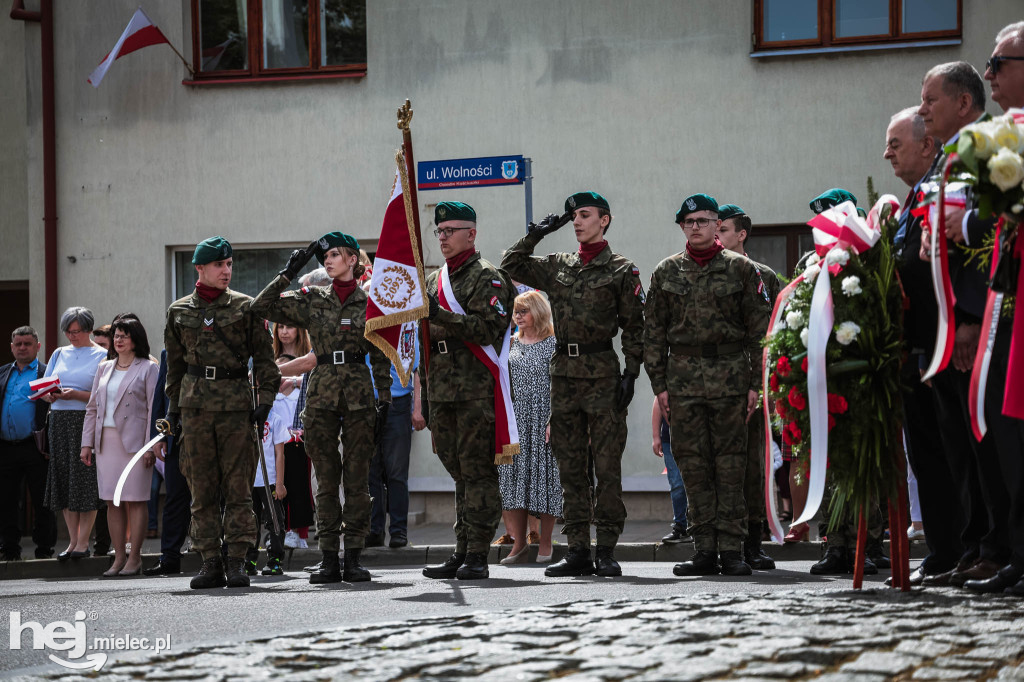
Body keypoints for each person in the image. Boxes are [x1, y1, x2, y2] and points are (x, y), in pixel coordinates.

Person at [502, 191, 645, 578]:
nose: (577, 221)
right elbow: (510, 265)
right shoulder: (558, 265)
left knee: (606, 465)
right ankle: (579, 548)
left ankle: (607, 549)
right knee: (570, 467)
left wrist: (632, 372)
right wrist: (538, 233)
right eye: (573, 217)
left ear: (605, 220)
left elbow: (635, 326)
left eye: (584, 215)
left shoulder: (620, 269)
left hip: (601, 372)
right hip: (563, 375)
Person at [915, 61, 1016, 590]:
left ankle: (997, 547)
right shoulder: (951, 158)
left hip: (977, 321)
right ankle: (980, 545)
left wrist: (973, 318)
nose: (923, 109)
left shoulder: (985, 151)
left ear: (962, 102)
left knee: (988, 445)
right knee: (967, 447)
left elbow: (985, 245)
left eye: (931, 99)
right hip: (946, 327)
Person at [251, 232, 392, 584]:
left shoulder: (369, 302)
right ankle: (329, 556)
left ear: (352, 261)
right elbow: (261, 306)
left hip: (360, 395)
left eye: (334, 255)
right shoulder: (313, 298)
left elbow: (380, 354)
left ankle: (354, 557)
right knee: (327, 482)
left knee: (357, 480)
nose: (327, 261)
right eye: (324, 257)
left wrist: (385, 399)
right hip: (322, 394)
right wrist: (288, 270)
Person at [644, 193, 768, 577]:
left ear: (718, 225)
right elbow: (654, 334)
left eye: (702, 220)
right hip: (682, 384)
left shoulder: (742, 271)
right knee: (694, 468)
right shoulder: (666, 272)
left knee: (731, 468)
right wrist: (659, 386)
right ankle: (703, 550)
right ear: (682, 227)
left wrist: (754, 386)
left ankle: (732, 551)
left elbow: (759, 333)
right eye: (688, 221)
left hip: (731, 380)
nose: (695, 226)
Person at [164, 236, 281, 589]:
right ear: (200, 268)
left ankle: (237, 561)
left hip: (235, 408)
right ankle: (209, 561)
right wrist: (172, 411)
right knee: (202, 488)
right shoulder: (179, 310)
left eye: (229, 264)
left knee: (238, 489)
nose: (226, 271)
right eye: (219, 265)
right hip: (195, 408)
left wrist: (264, 403)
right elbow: (175, 368)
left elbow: (265, 362)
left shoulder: (247, 308)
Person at [882, 106, 962, 588]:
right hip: (913, 350)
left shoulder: (941, 188)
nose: (886, 152)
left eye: (895, 143)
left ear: (926, 145)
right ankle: (944, 549)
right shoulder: (913, 198)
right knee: (928, 455)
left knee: (954, 455)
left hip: (944, 343)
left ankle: (967, 548)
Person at [420, 201, 516, 580]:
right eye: (438, 232)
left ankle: (478, 552)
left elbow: (486, 330)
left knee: (478, 473)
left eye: (449, 231)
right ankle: (461, 550)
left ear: (471, 234)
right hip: (442, 389)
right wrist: (426, 396)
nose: (442, 237)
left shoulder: (488, 277)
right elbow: (426, 343)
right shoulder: (433, 280)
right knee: (458, 473)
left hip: (475, 388)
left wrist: (438, 313)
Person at [961, 27, 1024, 595]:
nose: (990, 74)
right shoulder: (1005, 137)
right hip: (1011, 300)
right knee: (1006, 429)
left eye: (999, 62)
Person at [716, 203, 779, 570]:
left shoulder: (763, 275)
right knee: (718, 467)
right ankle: (719, 543)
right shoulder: (704, 272)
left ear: (741, 235)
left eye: (724, 230)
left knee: (752, 466)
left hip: (749, 382)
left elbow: (768, 334)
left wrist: (761, 383)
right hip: (712, 383)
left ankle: (753, 542)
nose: (717, 235)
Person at [80, 317, 159, 577]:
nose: (119, 340)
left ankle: (135, 558)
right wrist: (86, 444)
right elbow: (92, 408)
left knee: (136, 501)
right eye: (116, 335)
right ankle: (118, 558)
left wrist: (150, 446)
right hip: (106, 443)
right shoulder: (104, 368)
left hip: (136, 444)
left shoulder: (148, 367)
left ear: (136, 339)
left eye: (124, 335)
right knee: (112, 502)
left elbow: (152, 410)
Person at [498, 291, 561, 565]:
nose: (518, 316)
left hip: (543, 419)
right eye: (516, 312)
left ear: (539, 312)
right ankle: (519, 544)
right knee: (513, 482)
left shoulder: (553, 344)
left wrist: (553, 418)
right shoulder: (510, 343)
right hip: (515, 421)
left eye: (524, 311)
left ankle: (545, 543)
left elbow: (559, 385)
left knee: (546, 482)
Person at [41, 307, 108, 560]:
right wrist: (48, 394)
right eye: (68, 331)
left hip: (85, 419)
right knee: (64, 479)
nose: (72, 336)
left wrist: (76, 394)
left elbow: (104, 396)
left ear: (89, 329)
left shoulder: (102, 355)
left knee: (85, 480)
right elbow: (44, 385)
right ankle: (71, 541)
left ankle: (83, 542)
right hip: (58, 419)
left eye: (77, 331)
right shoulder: (59, 353)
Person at [366, 323, 424, 550]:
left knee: (396, 473)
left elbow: (417, 369)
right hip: (368, 403)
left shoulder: (407, 325)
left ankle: (399, 532)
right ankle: (374, 530)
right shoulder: (366, 324)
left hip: (398, 403)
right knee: (371, 472)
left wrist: (417, 409)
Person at [0, 326, 56, 560]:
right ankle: (9, 549)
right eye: (18, 344)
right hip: (5, 447)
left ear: (38, 346)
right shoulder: (3, 373)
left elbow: (55, 410)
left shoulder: (46, 372)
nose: (22, 348)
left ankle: (44, 549)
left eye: (27, 344)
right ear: (12, 347)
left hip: (36, 447)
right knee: (6, 500)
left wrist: (50, 447)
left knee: (42, 500)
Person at [142, 349, 191, 576]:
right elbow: (161, 398)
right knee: (175, 498)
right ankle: (170, 557)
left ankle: (221, 555)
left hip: (211, 435)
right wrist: (159, 436)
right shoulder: (168, 352)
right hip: (176, 437)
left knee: (215, 497)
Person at [271, 323, 314, 551]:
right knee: (277, 483)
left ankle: (300, 532)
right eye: (280, 327)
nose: (284, 332)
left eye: (290, 327)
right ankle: (278, 530)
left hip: (299, 434)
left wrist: (295, 381)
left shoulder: (308, 360)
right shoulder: (271, 360)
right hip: (277, 437)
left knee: (301, 485)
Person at [245, 380, 289, 577]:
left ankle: (275, 559)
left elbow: (280, 454)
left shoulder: (276, 419)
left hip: (269, 479)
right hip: (248, 481)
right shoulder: (244, 420)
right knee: (248, 521)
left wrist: (279, 483)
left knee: (274, 521)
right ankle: (248, 559)